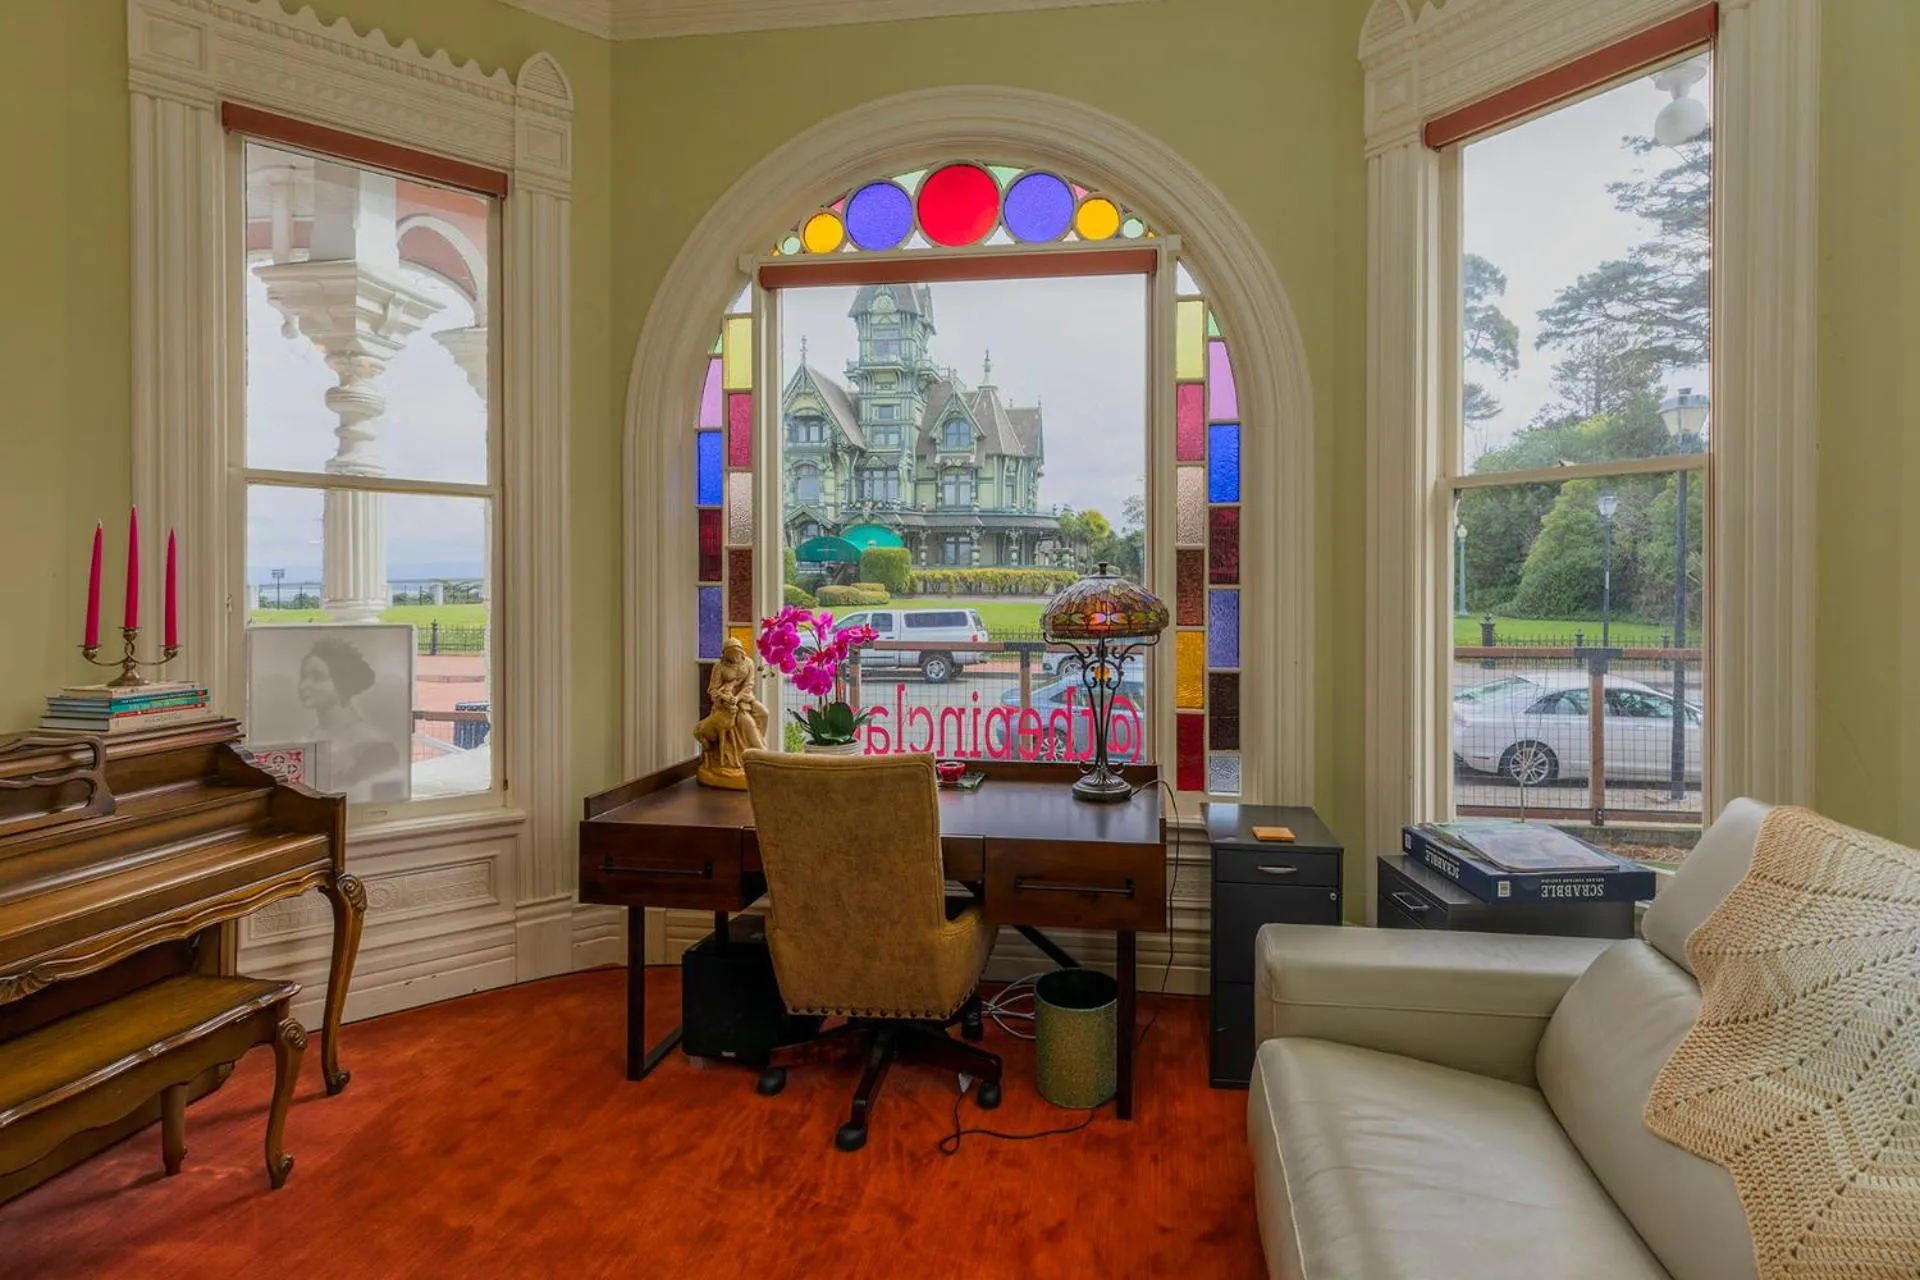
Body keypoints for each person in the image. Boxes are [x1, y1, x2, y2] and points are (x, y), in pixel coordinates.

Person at [298, 635, 405, 803]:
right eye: (303, 676)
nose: (304, 686)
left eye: (317, 677)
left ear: (341, 683)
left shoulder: (376, 748)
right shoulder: (310, 736)